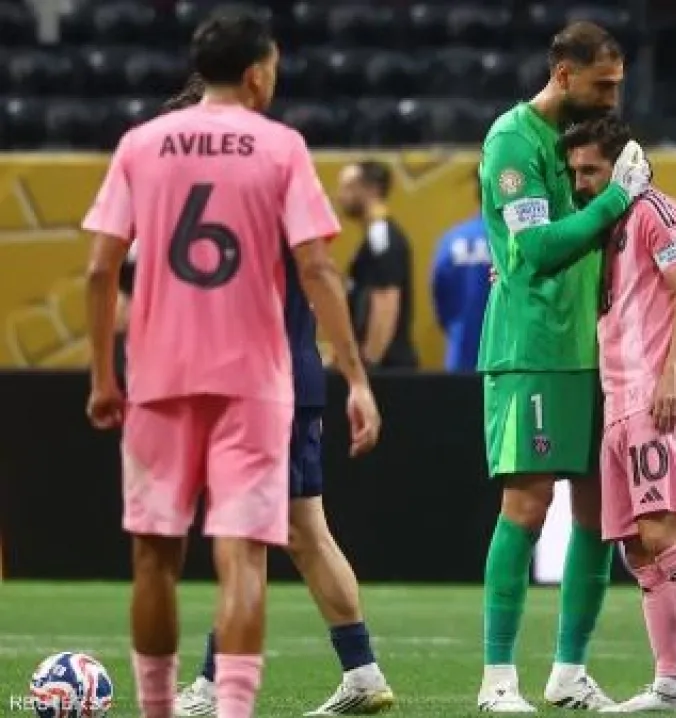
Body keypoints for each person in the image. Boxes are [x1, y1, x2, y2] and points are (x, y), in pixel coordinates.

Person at [80, 10, 381, 718]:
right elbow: (318, 269)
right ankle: (235, 705)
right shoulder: (279, 149)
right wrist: (357, 378)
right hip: (255, 381)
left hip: (161, 376)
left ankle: (162, 705)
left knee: (155, 556)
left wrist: (101, 376)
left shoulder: (141, 145)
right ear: (256, 74)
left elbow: (98, 270)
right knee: (247, 550)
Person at [143, 78, 395, 718]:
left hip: (253, 388)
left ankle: (213, 686)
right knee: (305, 533)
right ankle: (362, 672)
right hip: (290, 381)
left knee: (248, 537)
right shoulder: (272, 186)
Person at [474, 19, 656, 712]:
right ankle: (497, 678)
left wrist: (675, 226)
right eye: (602, 86)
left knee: (598, 514)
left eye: (617, 85)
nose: (612, 99)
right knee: (526, 506)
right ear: (563, 74)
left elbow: (621, 231)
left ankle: (569, 672)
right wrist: (617, 198)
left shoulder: (595, 141)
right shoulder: (512, 141)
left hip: (596, 348)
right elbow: (541, 250)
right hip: (534, 349)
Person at [560, 116, 676, 715]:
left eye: (591, 170)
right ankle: (669, 681)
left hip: (655, 398)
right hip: (618, 401)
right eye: (575, 172)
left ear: (620, 167)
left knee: (662, 531)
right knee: (638, 549)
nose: (581, 183)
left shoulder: (652, 210)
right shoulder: (605, 226)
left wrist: (674, 374)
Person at [336, 160, 419, 370]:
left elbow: (386, 298)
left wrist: (370, 361)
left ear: (372, 190)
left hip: (387, 368)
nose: (340, 196)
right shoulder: (373, 237)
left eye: (348, 187)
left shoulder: (381, 237)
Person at [430, 172, 491, 372]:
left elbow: (440, 294)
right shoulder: (516, 240)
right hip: (508, 357)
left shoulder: (452, 239)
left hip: (461, 354)